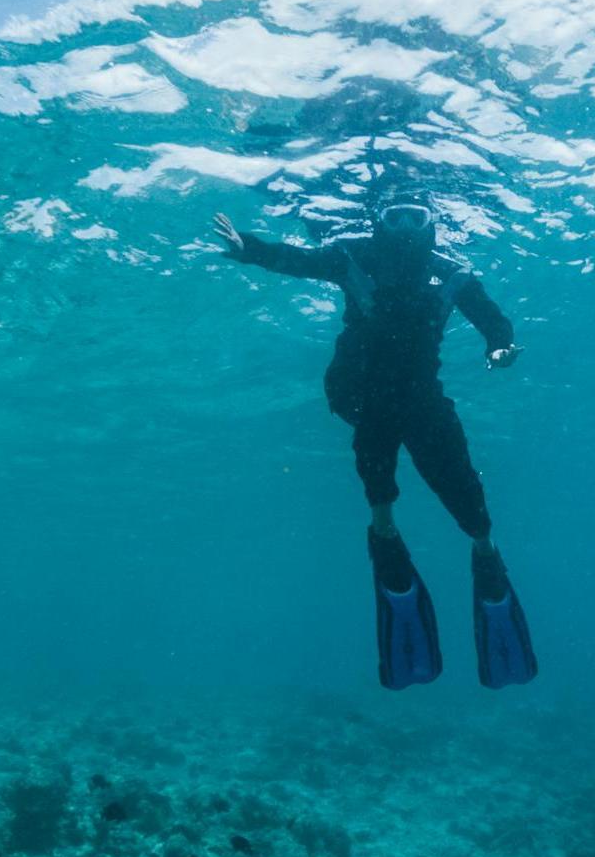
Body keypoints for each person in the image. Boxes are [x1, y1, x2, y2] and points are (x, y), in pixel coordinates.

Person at [210, 201, 538, 690]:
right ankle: (386, 534)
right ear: (378, 222)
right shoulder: (353, 256)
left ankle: (483, 549)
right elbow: (300, 260)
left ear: (432, 225)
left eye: (416, 217)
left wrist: (499, 347)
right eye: (395, 216)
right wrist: (249, 249)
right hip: (363, 394)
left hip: (419, 396)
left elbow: (492, 319)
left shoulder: (450, 274)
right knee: (378, 478)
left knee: (460, 484)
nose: (405, 227)